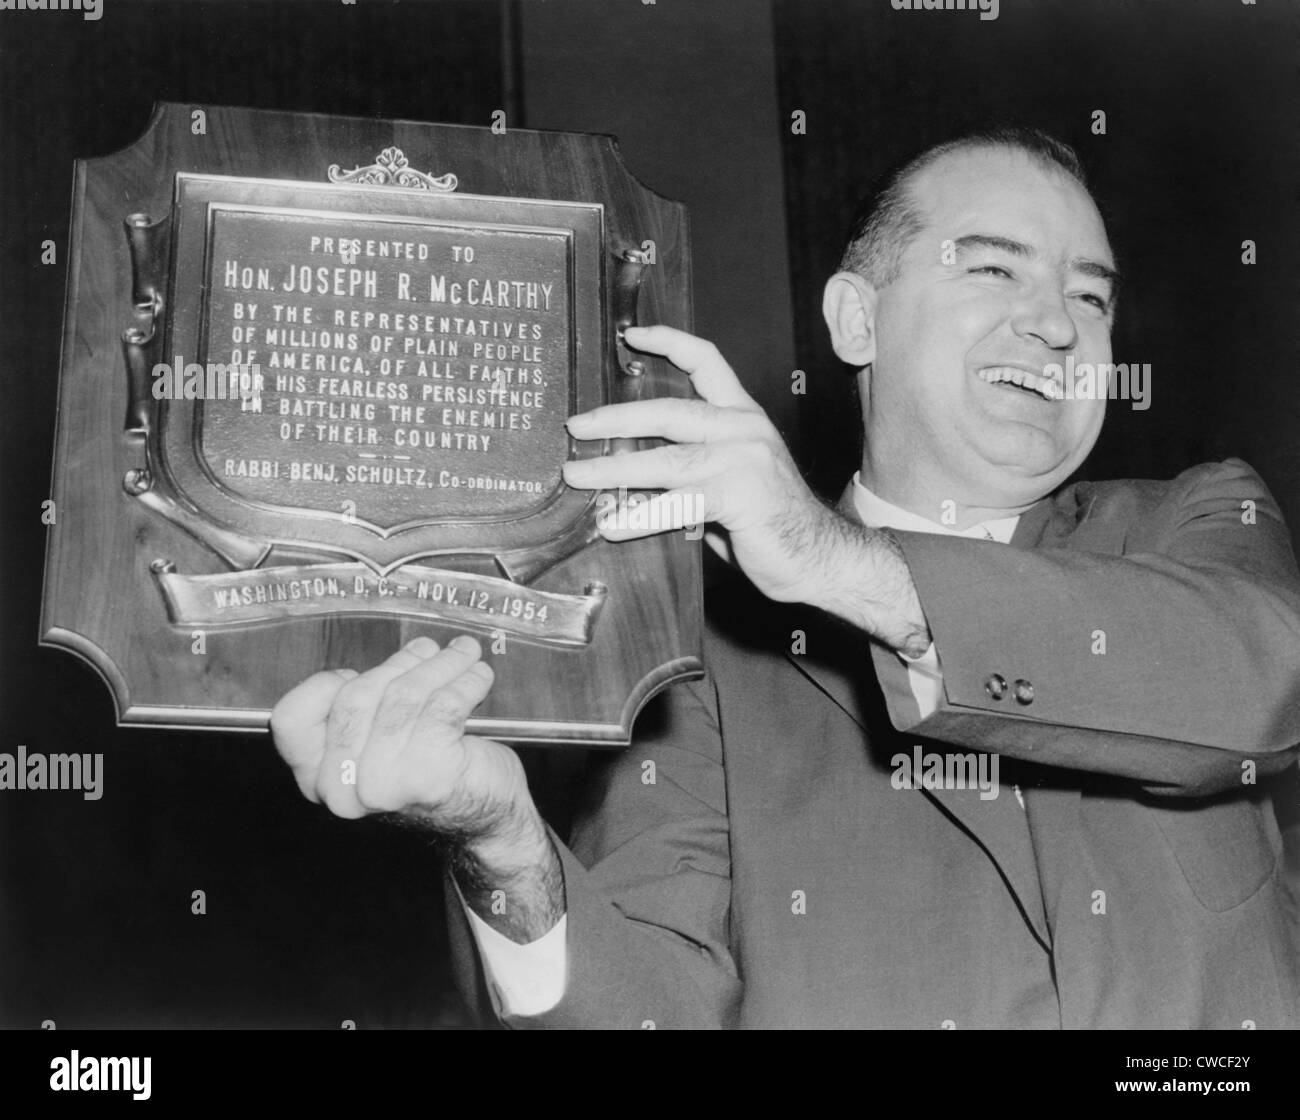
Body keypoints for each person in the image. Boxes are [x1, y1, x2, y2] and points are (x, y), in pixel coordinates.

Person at [270, 126, 1300, 1028]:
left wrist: (821, 557)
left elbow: (1257, 684)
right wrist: (500, 842)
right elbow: (650, 1009)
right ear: (855, 320)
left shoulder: (1194, 519)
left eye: (1090, 294)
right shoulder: (703, 654)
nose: (1057, 323)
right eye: (994, 271)